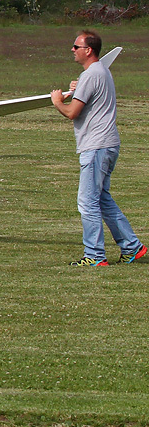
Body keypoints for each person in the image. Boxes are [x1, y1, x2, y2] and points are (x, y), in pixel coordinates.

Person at [51, 30, 146, 267]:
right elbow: (87, 93)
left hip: (96, 146)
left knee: (87, 201)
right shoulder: (99, 72)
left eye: (76, 47)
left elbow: (73, 112)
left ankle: (94, 255)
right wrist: (77, 87)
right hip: (108, 144)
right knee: (102, 199)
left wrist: (56, 102)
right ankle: (132, 247)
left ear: (88, 50)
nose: (72, 50)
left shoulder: (92, 74)